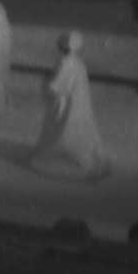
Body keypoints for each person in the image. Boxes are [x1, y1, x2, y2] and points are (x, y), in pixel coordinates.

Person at [30, 30, 109, 178]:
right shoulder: (79, 63)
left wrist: (46, 82)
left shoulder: (66, 64)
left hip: (65, 106)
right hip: (79, 104)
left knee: (64, 131)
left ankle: (70, 155)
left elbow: (57, 87)